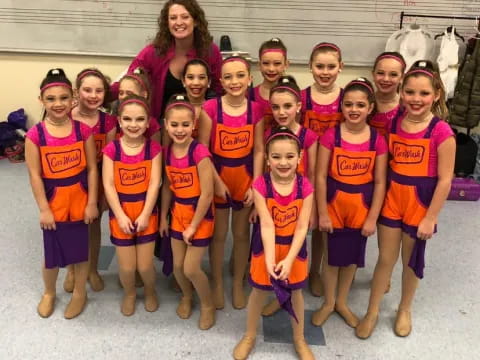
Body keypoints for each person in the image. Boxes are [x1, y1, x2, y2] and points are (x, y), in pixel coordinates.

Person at [355, 61, 455, 339]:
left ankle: (404, 309)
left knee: (411, 261)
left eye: (423, 94)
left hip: (420, 203)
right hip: (393, 198)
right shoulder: (395, 122)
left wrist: (430, 217)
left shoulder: (441, 131)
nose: (416, 99)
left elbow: (445, 180)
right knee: (385, 259)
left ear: (436, 94)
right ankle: (372, 311)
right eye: (410, 92)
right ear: (402, 92)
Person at [233, 127, 314, 360]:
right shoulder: (260, 185)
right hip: (266, 246)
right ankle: (250, 335)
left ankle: (299, 339)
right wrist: (269, 260)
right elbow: (266, 225)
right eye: (276, 157)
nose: (283, 162)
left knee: (296, 293)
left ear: (299, 158)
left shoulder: (305, 187)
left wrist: (288, 260)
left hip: (294, 249)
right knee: (258, 291)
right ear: (267, 159)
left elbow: (302, 227)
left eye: (290, 156)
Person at [312, 78, 387, 328]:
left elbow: (379, 183)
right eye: (348, 104)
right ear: (341, 107)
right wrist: (322, 212)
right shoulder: (330, 137)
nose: (354, 110)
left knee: (352, 259)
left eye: (360, 105)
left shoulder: (377, 140)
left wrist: (372, 218)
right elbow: (320, 177)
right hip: (333, 204)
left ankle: (342, 302)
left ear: (370, 107)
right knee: (331, 258)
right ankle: (329, 301)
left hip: (361, 207)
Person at [25, 68, 98, 319]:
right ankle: (49, 292)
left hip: (79, 198)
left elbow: (91, 169)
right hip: (54, 201)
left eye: (64, 98)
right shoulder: (36, 135)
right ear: (42, 101)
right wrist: (44, 209)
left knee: (80, 251)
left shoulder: (82, 131)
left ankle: (80, 292)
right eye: (51, 99)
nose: (58, 104)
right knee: (51, 255)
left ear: (73, 98)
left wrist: (92, 202)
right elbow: (35, 175)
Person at [198, 55, 265, 310]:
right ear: (220, 81)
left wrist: (256, 184)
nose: (234, 81)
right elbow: (203, 149)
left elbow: (259, 150)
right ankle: (216, 283)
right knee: (219, 235)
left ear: (250, 79)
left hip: (245, 180)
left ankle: (237, 282)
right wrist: (215, 182)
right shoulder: (210, 109)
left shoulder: (256, 109)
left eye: (240, 76)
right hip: (218, 179)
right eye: (228, 77)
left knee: (240, 235)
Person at [261, 75, 318, 317]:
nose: (281, 112)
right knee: (273, 255)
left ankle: (291, 296)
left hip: (298, 206)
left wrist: (313, 210)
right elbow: (265, 174)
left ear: (298, 106)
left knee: (293, 256)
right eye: (275, 107)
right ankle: (277, 294)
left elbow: (313, 175)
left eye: (287, 106)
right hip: (273, 206)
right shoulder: (268, 135)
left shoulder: (309, 137)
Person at [110, 0, 222, 123]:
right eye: (173, 18)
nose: (179, 22)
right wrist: (98, 93)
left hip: (199, 124)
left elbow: (221, 88)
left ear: (195, 21)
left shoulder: (210, 51)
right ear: (167, 23)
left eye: (185, 17)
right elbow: (130, 82)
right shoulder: (152, 52)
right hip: (160, 126)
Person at [160, 94, 216, 330]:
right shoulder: (168, 151)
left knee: (191, 267)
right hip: (178, 214)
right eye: (174, 124)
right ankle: (186, 295)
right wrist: (163, 216)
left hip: (200, 216)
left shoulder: (199, 152)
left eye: (185, 124)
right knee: (177, 267)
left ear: (194, 125)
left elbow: (207, 194)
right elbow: (167, 187)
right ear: (166, 125)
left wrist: (193, 225)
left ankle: (207, 304)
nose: (180, 129)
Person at [102, 95, 161, 316]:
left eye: (139, 120)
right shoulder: (112, 150)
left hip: (146, 212)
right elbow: (108, 185)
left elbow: (155, 183)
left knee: (144, 266)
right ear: (119, 121)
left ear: (147, 123)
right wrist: (119, 215)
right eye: (127, 119)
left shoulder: (153, 149)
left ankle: (150, 290)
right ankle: (129, 293)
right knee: (126, 267)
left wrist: (145, 214)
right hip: (121, 213)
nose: (133, 125)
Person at [62, 68, 116, 293]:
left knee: (93, 227)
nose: (93, 95)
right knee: (72, 227)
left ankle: (92, 269)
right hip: (71, 181)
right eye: (87, 90)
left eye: (99, 91)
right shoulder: (64, 116)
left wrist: (105, 193)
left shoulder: (109, 122)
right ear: (77, 92)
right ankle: (72, 270)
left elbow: (110, 160)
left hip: (97, 181)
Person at [301, 42, 344, 297]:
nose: (325, 72)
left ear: (341, 67)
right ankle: (304, 269)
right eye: (319, 66)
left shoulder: (345, 99)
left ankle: (323, 269)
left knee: (324, 225)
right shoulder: (302, 98)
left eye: (331, 66)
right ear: (310, 67)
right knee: (307, 222)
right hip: (306, 170)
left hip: (335, 172)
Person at [249, 38, 289, 132]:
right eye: (266, 63)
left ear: (286, 64)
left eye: (277, 63)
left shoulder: (293, 95)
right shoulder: (250, 95)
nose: (271, 69)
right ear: (259, 65)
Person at [116, 67, 161, 143]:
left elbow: (156, 150)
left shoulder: (152, 124)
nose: (123, 97)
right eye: (121, 93)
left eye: (129, 93)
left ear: (144, 94)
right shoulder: (115, 120)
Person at [369, 52, 406, 137]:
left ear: (402, 78)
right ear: (373, 74)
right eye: (380, 73)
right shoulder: (362, 103)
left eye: (393, 74)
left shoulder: (406, 108)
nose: (386, 79)